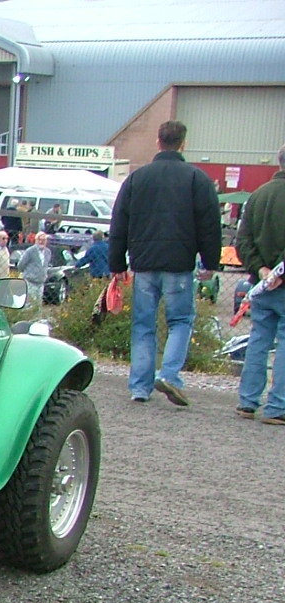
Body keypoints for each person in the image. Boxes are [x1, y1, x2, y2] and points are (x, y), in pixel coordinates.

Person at [109, 119, 221, 405]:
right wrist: (210, 261)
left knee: (143, 324)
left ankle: (139, 387)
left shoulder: (136, 178)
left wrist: (117, 264)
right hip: (179, 263)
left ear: (158, 142)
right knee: (180, 321)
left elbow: (119, 222)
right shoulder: (197, 179)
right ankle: (169, 375)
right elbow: (209, 224)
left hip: (144, 263)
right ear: (183, 144)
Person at [233, 143, 285, 425]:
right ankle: (277, 406)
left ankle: (247, 401)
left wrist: (262, 270)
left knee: (259, 340)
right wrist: (279, 273)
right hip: (280, 283)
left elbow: (242, 241)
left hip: (261, 283)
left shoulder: (257, 196)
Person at [17, 231, 52, 303]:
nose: (41, 242)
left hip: (41, 284)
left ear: (46, 241)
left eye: (43, 240)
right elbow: (20, 265)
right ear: (35, 240)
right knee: (29, 304)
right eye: (39, 239)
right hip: (30, 282)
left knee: (38, 304)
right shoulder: (30, 251)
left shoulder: (48, 252)